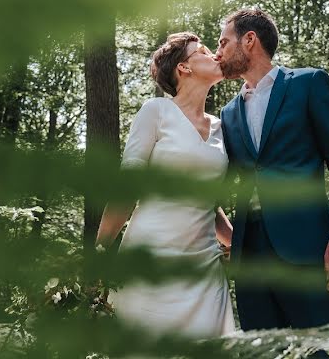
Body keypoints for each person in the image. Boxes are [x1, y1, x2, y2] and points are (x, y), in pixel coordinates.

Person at [215, 8, 329, 330]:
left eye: (224, 42)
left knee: (321, 349)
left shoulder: (309, 83)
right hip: (248, 257)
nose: (218, 52)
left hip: (307, 248)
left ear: (249, 40)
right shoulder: (228, 113)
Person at [95, 32, 235, 339]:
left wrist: (240, 244)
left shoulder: (222, 127)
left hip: (205, 267)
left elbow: (208, 205)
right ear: (184, 68)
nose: (216, 55)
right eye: (204, 51)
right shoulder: (155, 111)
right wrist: (99, 250)